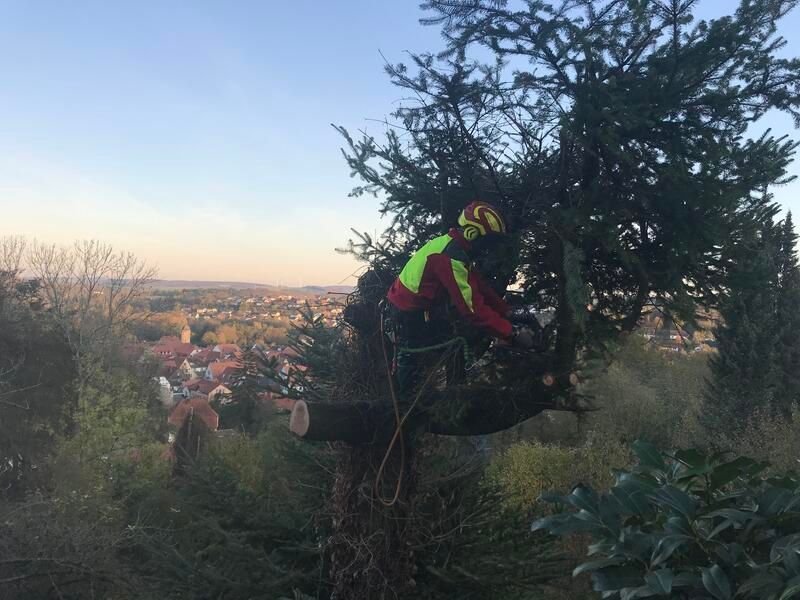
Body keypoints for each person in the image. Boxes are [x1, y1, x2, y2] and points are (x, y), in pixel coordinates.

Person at [386, 201, 535, 394]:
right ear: (473, 233)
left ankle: (449, 391)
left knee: (450, 341)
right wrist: (510, 333)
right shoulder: (450, 258)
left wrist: (507, 312)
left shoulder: (455, 248)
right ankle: (407, 402)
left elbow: (479, 286)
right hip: (407, 310)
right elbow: (472, 310)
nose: (488, 248)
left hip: (418, 305)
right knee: (410, 357)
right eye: (488, 241)